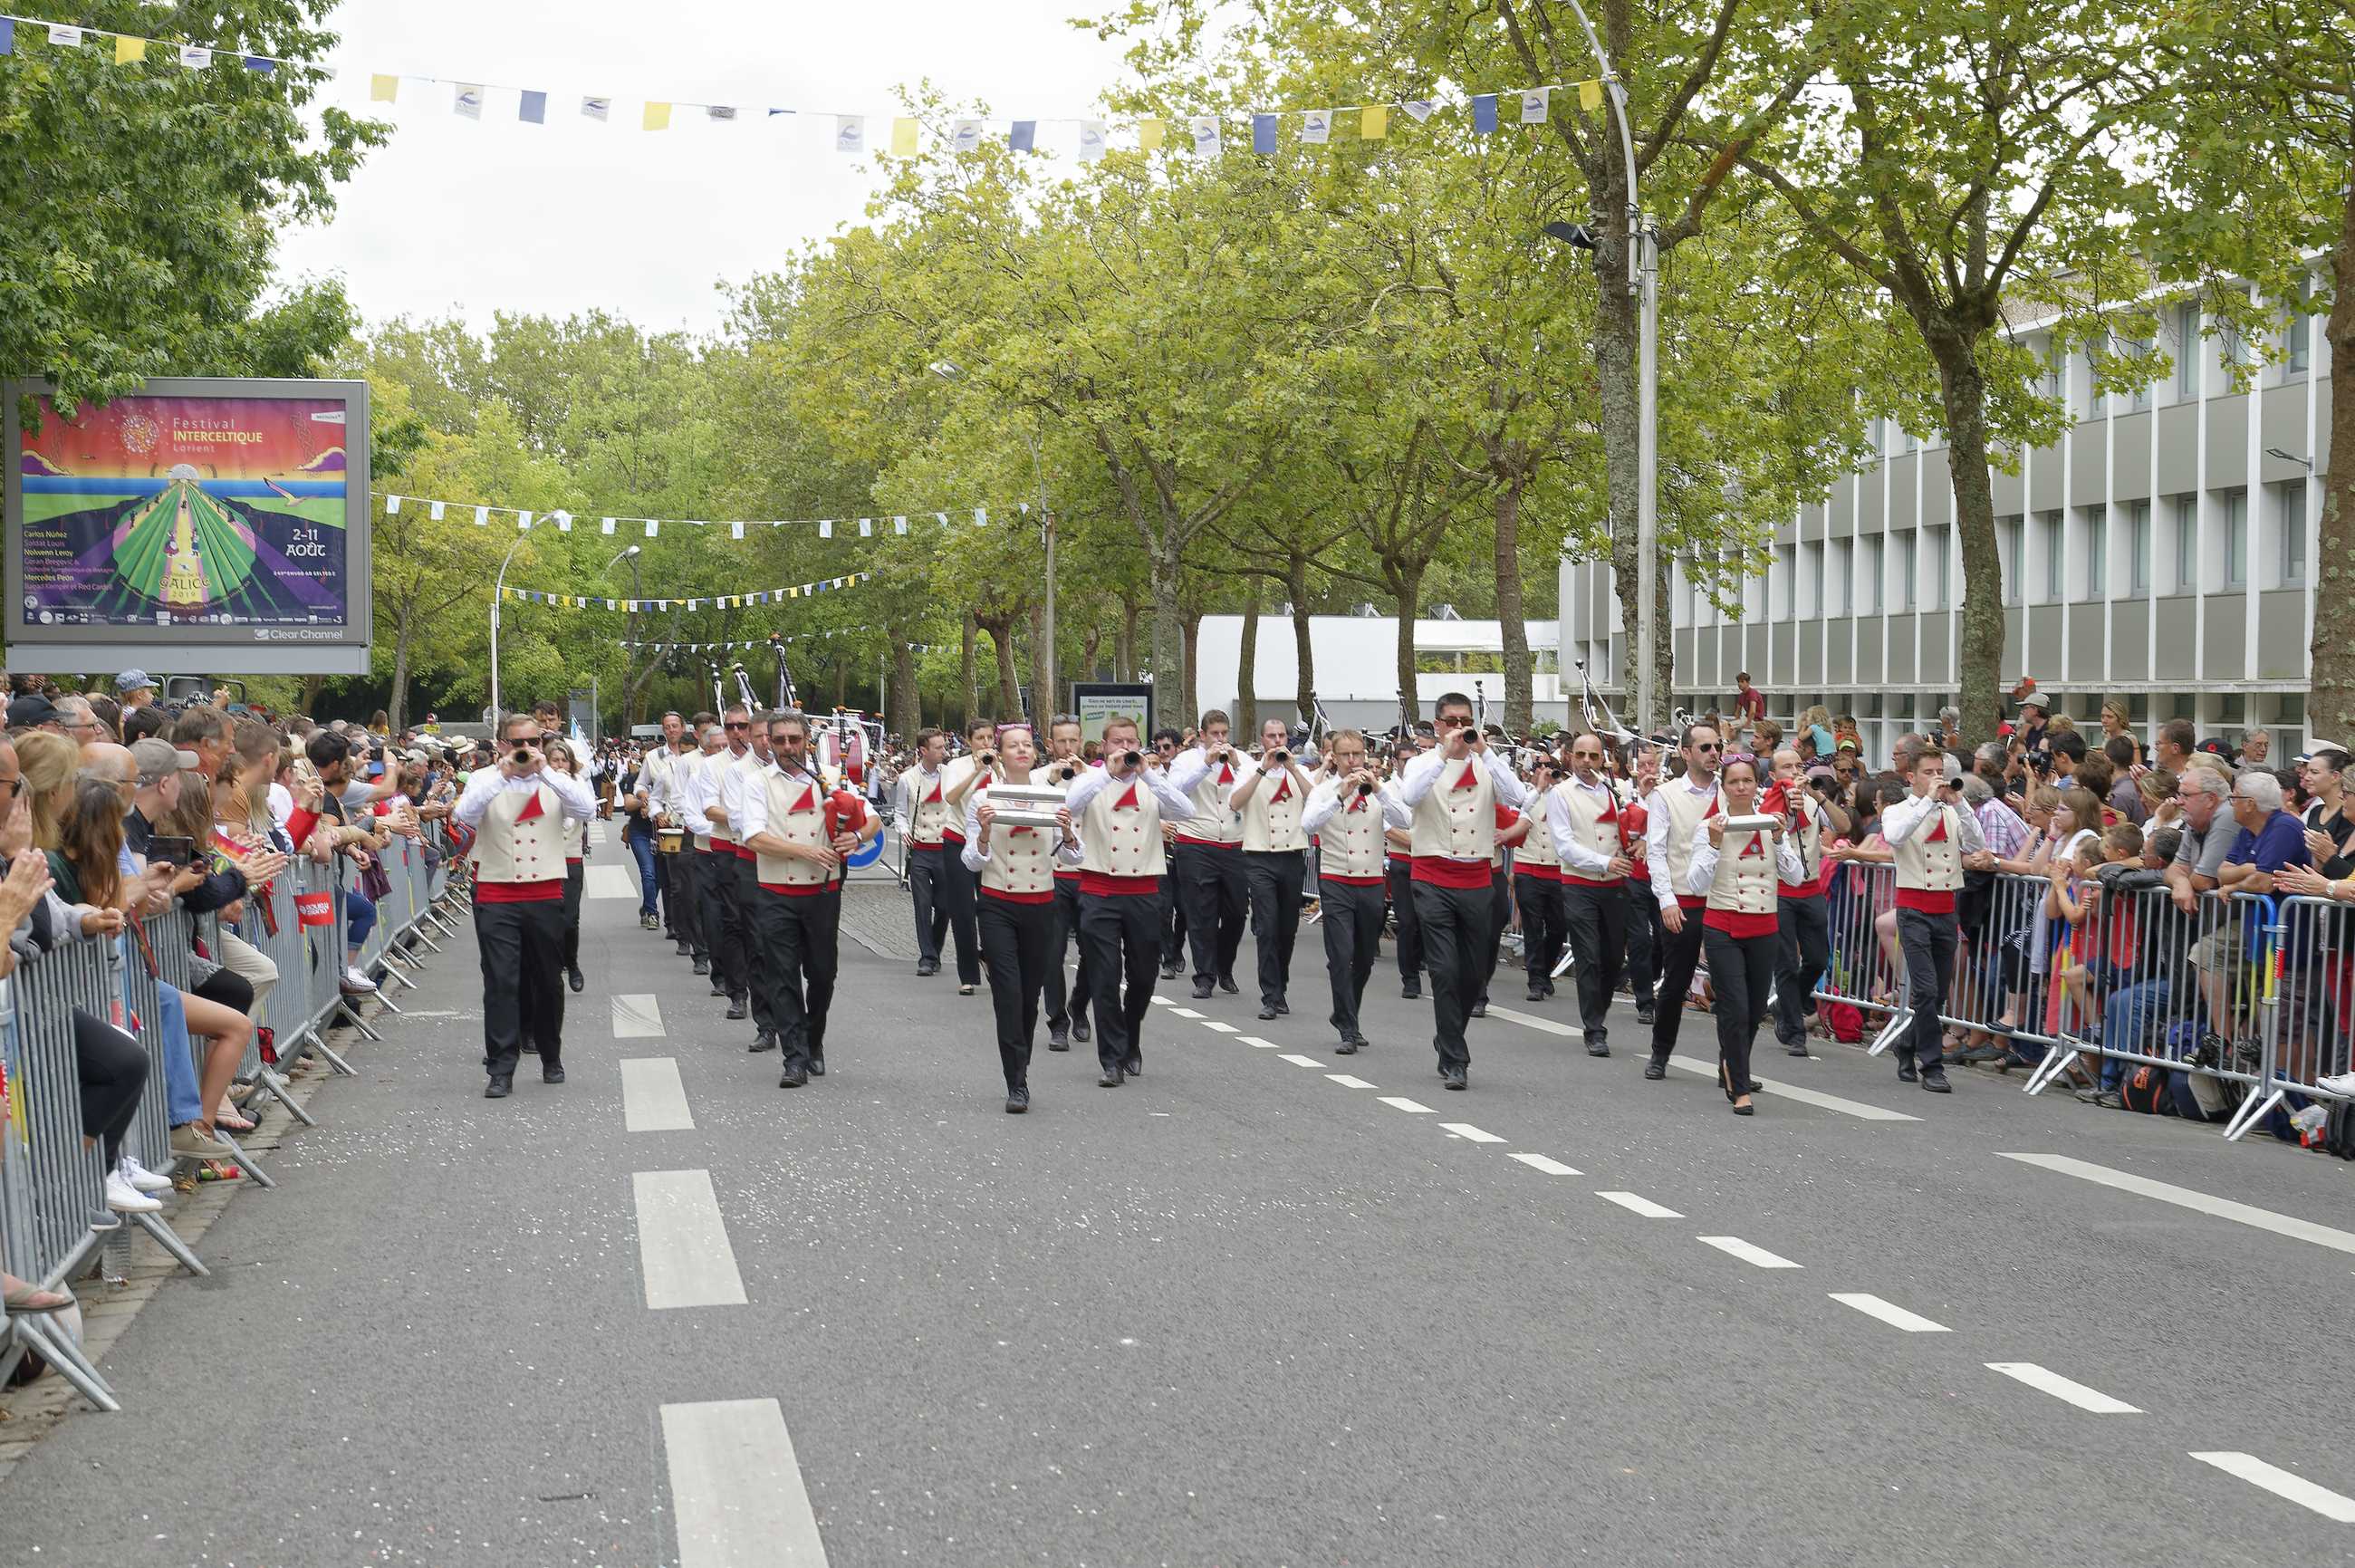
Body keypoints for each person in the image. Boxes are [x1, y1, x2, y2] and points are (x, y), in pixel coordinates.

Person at [454, 712, 595, 1099]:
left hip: (546, 892)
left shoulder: (558, 779)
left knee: (548, 980)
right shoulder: (486, 778)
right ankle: (501, 1066)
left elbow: (587, 811)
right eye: (518, 744)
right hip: (497, 893)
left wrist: (545, 770)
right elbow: (463, 816)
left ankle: (551, 1055)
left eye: (533, 741)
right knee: (501, 981)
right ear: (502, 745)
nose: (526, 750)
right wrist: (503, 774)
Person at [1396, 692, 1528, 1091]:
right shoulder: (1422, 763)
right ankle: (1455, 1056)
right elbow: (1409, 797)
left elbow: (1518, 797)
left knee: (1475, 971)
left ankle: (1448, 1033)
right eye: (1450, 721)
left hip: (1475, 878)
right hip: (1432, 876)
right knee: (1444, 968)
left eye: (1464, 720)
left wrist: (1484, 751)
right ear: (1437, 726)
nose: (1458, 728)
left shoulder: (1488, 763)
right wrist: (1443, 756)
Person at [1065, 717, 1206, 1085]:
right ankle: (1111, 1058)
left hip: (1144, 890)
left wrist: (1148, 774)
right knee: (1106, 977)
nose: (1124, 747)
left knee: (1143, 976)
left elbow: (1186, 811)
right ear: (1105, 745)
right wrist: (1105, 774)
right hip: (1099, 890)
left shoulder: (1152, 782)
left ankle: (1132, 1036)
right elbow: (1070, 804)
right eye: (1117, 742)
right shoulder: (1090, 780)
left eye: (1130, 741)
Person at [742, 710, 879, 1085]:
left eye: (795, 740)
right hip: (774, 892)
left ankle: (813, 1040)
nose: (788, 747)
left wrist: (858, 837)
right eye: (780, 740)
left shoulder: (830, 779)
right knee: (782, 975)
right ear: (769, 741)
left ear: (807, 741)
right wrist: (805, 851)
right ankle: (794, 1059)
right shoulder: (757, 783)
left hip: (822, 892)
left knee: (822, 974)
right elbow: (753, 837)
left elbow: (872, 818)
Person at [960, 724, 1082, 1111]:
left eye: (1027, 745)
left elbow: (1071, 858)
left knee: (1030, 997)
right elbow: (970, 860)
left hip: (1041, 904)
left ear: (1035, 752)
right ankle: (1016, 1081)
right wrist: (982, 833)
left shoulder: (1053, 795)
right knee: (1008, 996)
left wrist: (1068, 834)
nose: (1021, 751)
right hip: (997, 903)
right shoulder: (983, 797)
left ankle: (1021, 1062)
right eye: (1013, 746)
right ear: (1001, 752)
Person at [1686, 755, 1804, 1114]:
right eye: (1733, 781)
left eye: (1747, 781)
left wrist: (1781, 840)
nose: (1740, 787)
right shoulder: (1709, 826)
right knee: (1735, 1007)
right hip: (1723, 925)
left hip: (1764, 926)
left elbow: (1796, 877)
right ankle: (1740, 1087)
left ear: (1757, 785)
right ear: (1724, 786)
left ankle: (1730, 1060)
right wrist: (1713, 844)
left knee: (1754, 1010)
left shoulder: (1771, 823)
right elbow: (1696, 883)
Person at [1880, 747, 1996, 1092]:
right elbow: (1896, 837)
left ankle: (1906, 1044)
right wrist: (1926, 801)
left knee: (1937, 994)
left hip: (1946, 908)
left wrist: (1959, 802)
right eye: (1928, 772)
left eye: (1939, 772)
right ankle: (1932, 1066)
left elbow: (1977, 841)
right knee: (1926, 989)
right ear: (1912, 777)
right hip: (1913, 908)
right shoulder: (1897, 811)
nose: (1936, 778)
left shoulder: (1951, 811)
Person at [1301, 729, 1408, 1054]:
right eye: (1345, 756)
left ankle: (1346, 1011)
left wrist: (1379, 791)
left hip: (1372, 880)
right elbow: (1308, 825)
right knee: (1341, 954)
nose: (1352, 762)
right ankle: (1348, 1028)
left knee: (1363, 957)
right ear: (1333, 757)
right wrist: (1339, 795)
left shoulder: (1380, 791)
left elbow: (1406, 819)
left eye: (1357, 755)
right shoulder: (1323, 791)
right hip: (1337, 880)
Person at [1640, 724, 1725, 1080]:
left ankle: (1732, 1066)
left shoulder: (1733, 791)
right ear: (1686, 753)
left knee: (1731, 987)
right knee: (1676, 982)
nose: (1713, 753)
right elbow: (1656, 852)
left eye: (1717, 746)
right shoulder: (1666, 795)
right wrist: (1666, 900)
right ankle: (1660, 1052)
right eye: (1705, 747)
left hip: (1725, 900)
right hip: (1683, 900)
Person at [1546, 731, 1634, 1056]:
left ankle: (1599, 1010)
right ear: (1569, 757)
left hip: (1614, 885)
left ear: (1603, 759)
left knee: (1612, 958)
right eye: (1580, 755)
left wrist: (1636, 841)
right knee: (1588, 954)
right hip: (1579, 883)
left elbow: (1633, 829)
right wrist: (1604, 860)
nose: (1586, 762)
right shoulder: (1561, 794)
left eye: (1593, 756)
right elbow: (1564, 845)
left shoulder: (1619, 790)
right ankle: (1594, 1028)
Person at [1231, 717, 1314, 1021]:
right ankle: (1270, 994)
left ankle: (1281, 984)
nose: (1277, 741)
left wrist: (1291, 768)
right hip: (1259, 856)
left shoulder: (1300, 770)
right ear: (1262, 739)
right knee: (1266, 925)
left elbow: (1315, 798)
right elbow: (1235, 803)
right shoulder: (1247, 771)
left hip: (1292, 855)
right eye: (1271, 736)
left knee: (1287, 928)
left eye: (1281, 736)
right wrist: (1262, 769)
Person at [1173, 710, 1248, 1001]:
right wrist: (1206, 765)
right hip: (1196, 842)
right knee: (1201, 913)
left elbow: (1256, 783)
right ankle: (1204, 976)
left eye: (1224, 734)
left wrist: (1239, 764)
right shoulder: (1186, 760)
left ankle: (1224, 966)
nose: (1220, 739)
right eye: (1214, 734)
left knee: (1237, 912)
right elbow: (1177, 791)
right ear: (1202, 736)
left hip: (1234, 842)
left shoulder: (1241, 760)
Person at [1765, 748, 1832, 1059]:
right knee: (1787, 964)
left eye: (1797, 766)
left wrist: (1817, 796)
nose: (1793, 771)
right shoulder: (1765, 802)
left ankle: (1785, 1003)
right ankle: (1794, 1030)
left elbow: (1844, 825)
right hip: (1780, 891)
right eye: (1786, 767)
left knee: (1818, 959)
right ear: (1773, 774)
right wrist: (1789, 806)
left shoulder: (1811, 799)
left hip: (1811, 889)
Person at [1038, 717, 1094, 1049]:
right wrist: (1052, 780)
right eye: (1062, 742)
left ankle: (1079, 1005)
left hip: (1089, 873)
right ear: (1050, 745)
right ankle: (1057, 1020)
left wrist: (1086, 776)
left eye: (1073, 741)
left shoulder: (1097, 777)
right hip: (1052, 874)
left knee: (1094, 950)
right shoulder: (1039, 778)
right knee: (1052, 953)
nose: (1068, 748)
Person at [938, 717, 997, 996]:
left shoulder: (1000, 766)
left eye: (989, 738)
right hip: (958, 839)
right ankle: (968, 974)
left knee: (990, 906)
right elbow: (950, 798)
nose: (985, 743)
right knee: (962, 908)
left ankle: (989, 955)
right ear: (968, 740)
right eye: (980, 739)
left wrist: (997, 769)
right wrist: (976, 771)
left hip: (989, 843)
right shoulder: (956, 766)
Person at [895, 727, 953, 976]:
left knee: (944, 906)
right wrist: (903, 830)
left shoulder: (951, 775)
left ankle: (935, 949)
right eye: (938, 747)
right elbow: (899, 811)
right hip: (919, 849)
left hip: (945, 848)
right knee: (922, 904)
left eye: (943, 746)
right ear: (923, 751)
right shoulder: (907, 779)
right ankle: (927, 957)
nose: (944, 751)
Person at [1513, 751, 1567, 1004]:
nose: (1544, 770)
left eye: (1550, 766)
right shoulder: (1524, 794)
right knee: (1533, 928)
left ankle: (1544, 971)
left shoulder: (1565, 795)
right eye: (1539, 766)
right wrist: (1538, 788)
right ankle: (1535, 980)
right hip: (1529, 868)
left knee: (1558, 927)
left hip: (1557, 870)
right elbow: (1518, 813)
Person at [545, 739, 591, 994]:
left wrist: (566, 785)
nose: (560, 765)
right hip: (545, 858)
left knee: (570, 918)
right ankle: (552, 967)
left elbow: (587, 812)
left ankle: (571, 963)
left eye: (564, 761)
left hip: (571, 856)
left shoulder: (577, 783)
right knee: (548, 917)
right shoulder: (540, 784)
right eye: (555, 761)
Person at [1383, 734, 1425, 998]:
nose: (1409, 765)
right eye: (1404, 761)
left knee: (1427, 919)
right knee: (1408, 921)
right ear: (1395, 762)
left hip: (1428, 860)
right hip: (1402, 860)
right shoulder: (1386, 789)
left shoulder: (1426, 784)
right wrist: (1413, 842)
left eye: (1413, 760)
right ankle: (1409, 978)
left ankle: (1422, 959)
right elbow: (1385, 826)